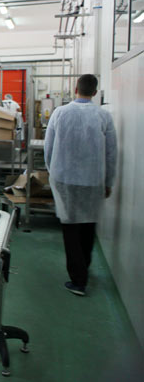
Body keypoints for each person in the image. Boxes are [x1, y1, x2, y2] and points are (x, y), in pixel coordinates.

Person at [44, 74, 117, 296]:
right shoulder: (103, 116)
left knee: (70, 228)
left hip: (64, 179)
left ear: (76, 89)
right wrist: (108, 181)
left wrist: (53, 173)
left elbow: (49, 148)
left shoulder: (60, 113)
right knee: (88, 225)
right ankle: (84, 268)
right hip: (93, 180)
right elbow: (111, 153)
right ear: (95, 92)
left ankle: (78, 280)